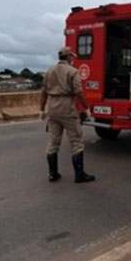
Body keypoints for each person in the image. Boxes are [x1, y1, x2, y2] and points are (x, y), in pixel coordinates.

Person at [39, 46, 95, 183]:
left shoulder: (49, 70)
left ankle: (53, 174)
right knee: (76, 141)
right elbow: (78, 92)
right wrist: (86, 108)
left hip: (52, 108)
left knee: (53, 142)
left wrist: (42, 109)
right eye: (72, 57)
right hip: (67, 107)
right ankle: (79, 174)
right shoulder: (73, 71)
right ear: (69, 57)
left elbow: (43, 92)